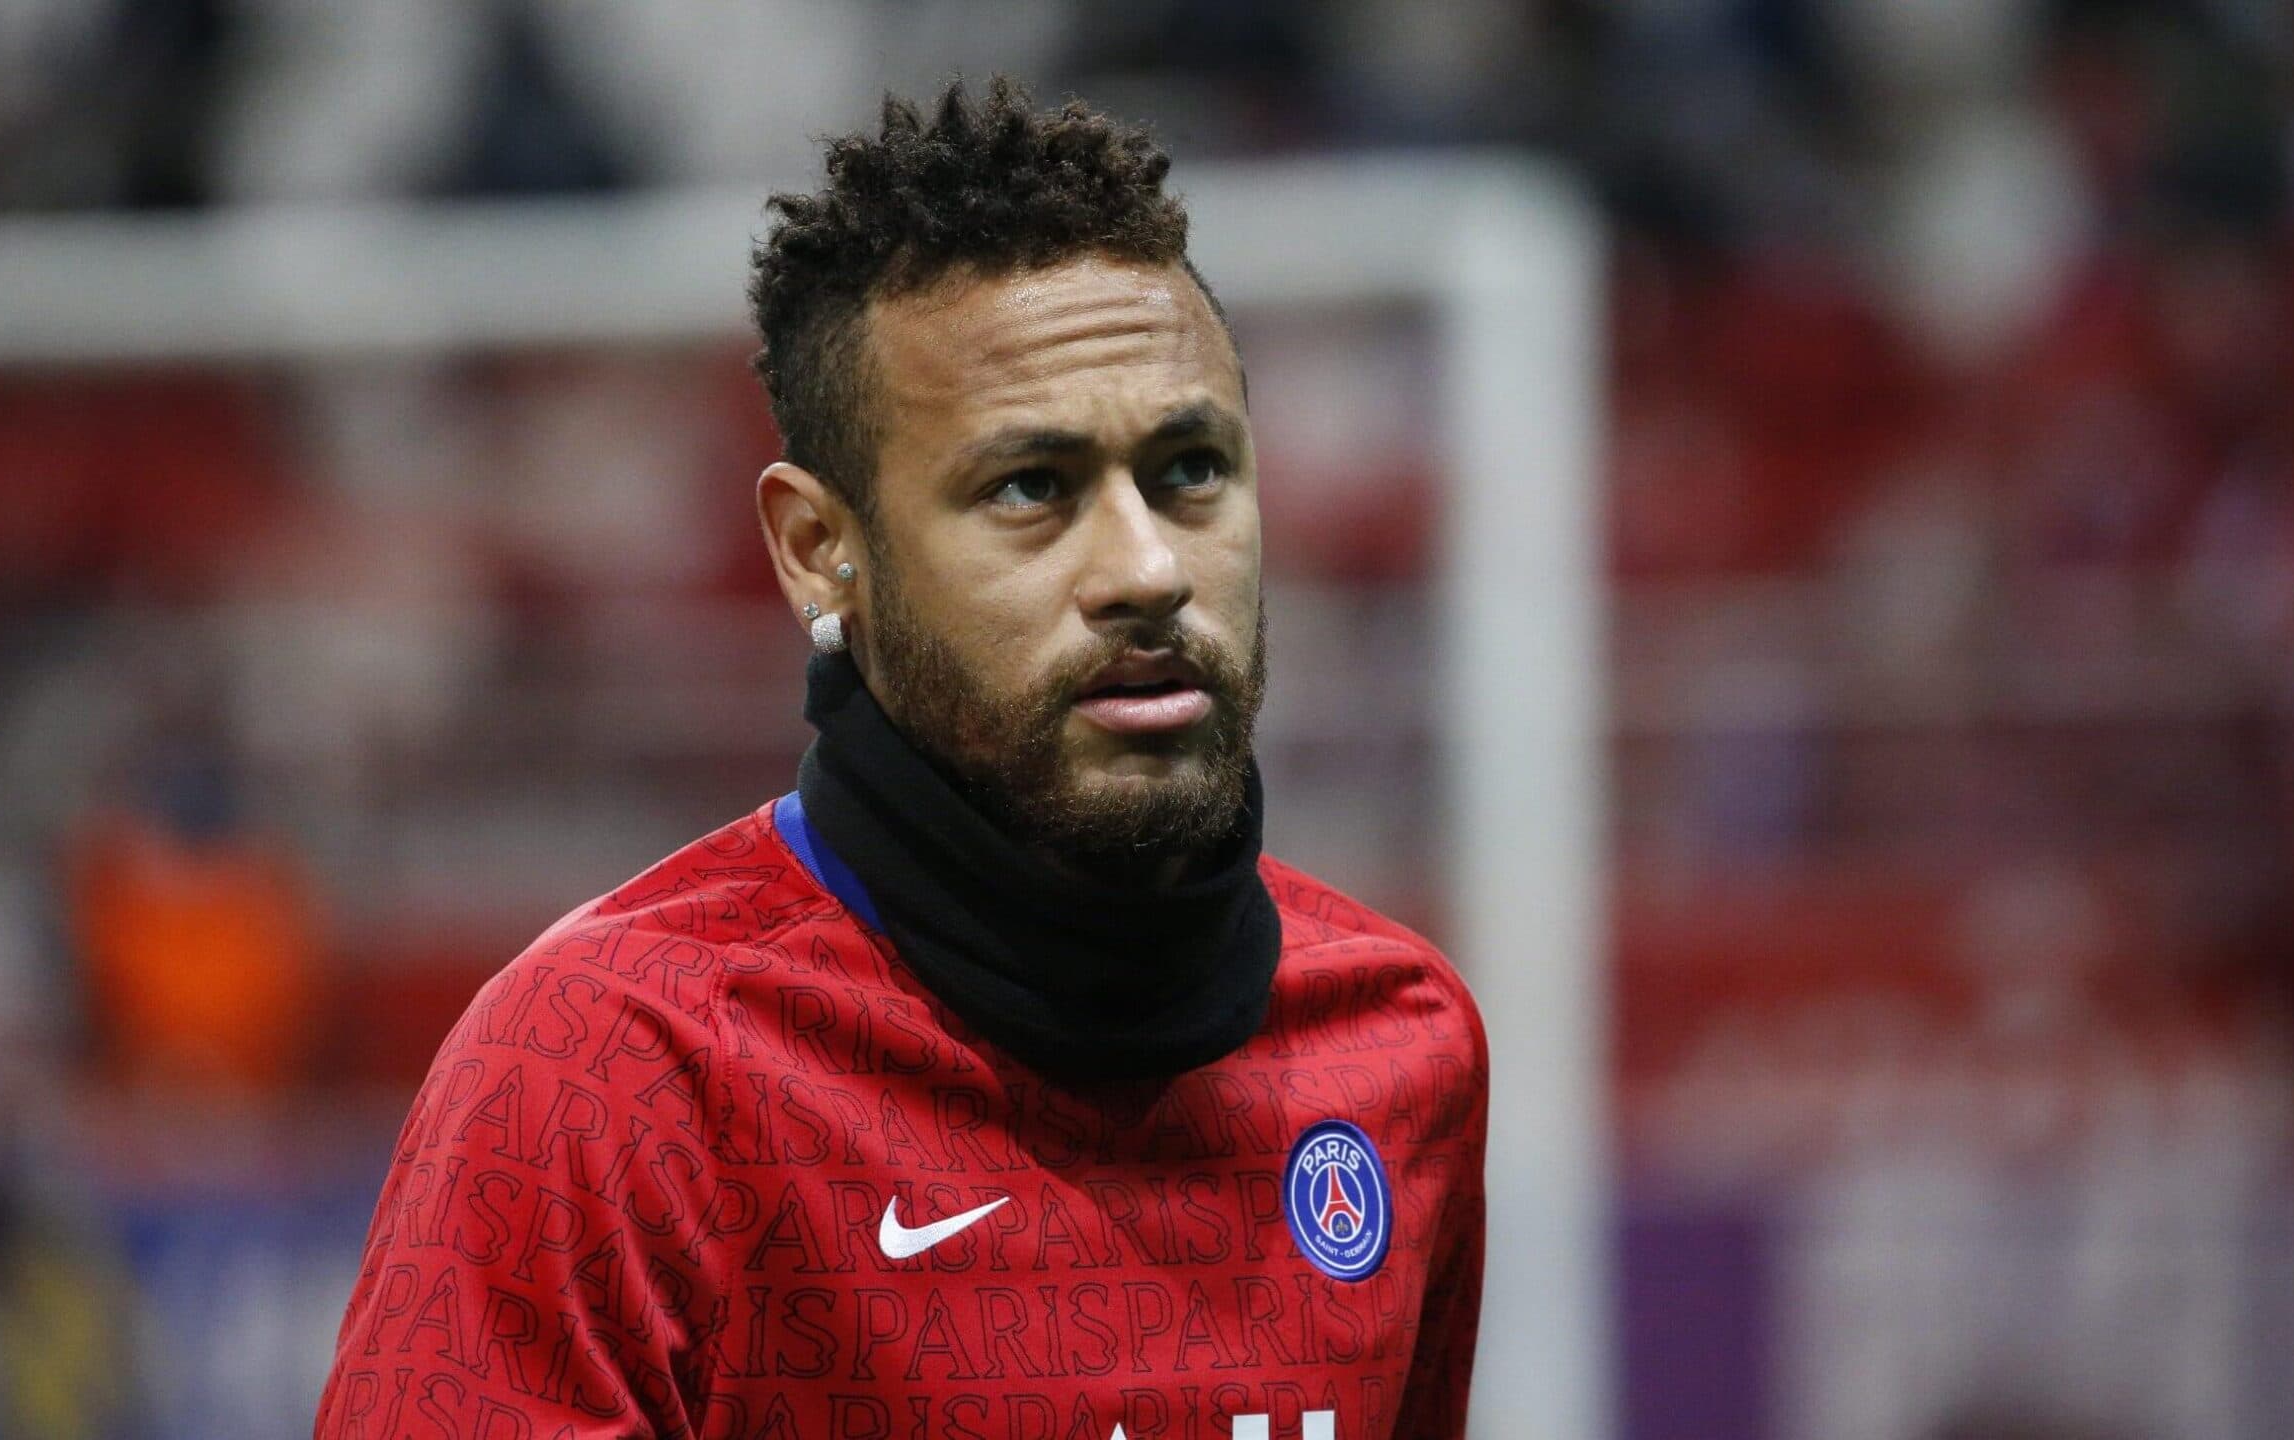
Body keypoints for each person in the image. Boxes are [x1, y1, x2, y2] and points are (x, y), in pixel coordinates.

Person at [315, 78, 1487, 1440]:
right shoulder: (606, 1077)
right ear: (821, 551)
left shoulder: (1399, 1049)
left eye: (1189, 471)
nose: (1149, 570)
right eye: (1030, 488)